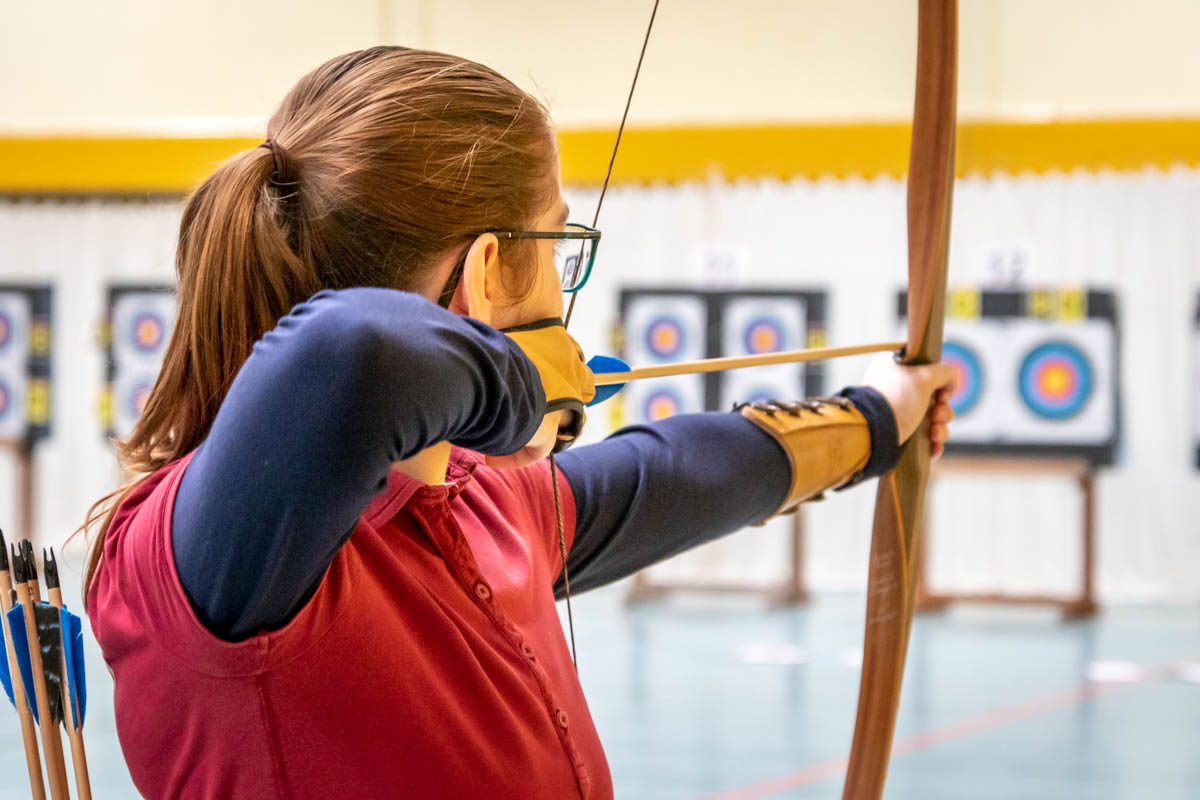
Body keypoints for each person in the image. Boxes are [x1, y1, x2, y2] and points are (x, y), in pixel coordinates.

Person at [82, 46, 956, 800]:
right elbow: (353, 355)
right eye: (557, 244)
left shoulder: (487, 507)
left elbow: (676, 474)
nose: (564, 286)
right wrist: (527, 384)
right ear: (493, 268)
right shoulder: (209, 553)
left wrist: (880, 418)